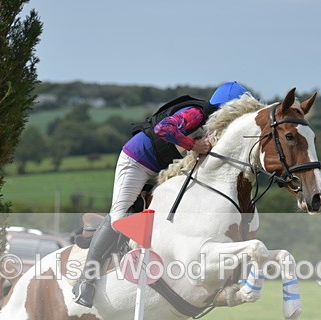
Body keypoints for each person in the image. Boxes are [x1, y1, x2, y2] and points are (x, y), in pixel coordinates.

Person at [73, 81, 251, 307]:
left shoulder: (217, 126)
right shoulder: (197, 113)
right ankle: (86, 281)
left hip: (162, 168)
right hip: (137, 162)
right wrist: (194, 145)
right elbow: (164, 128)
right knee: (119, 218)